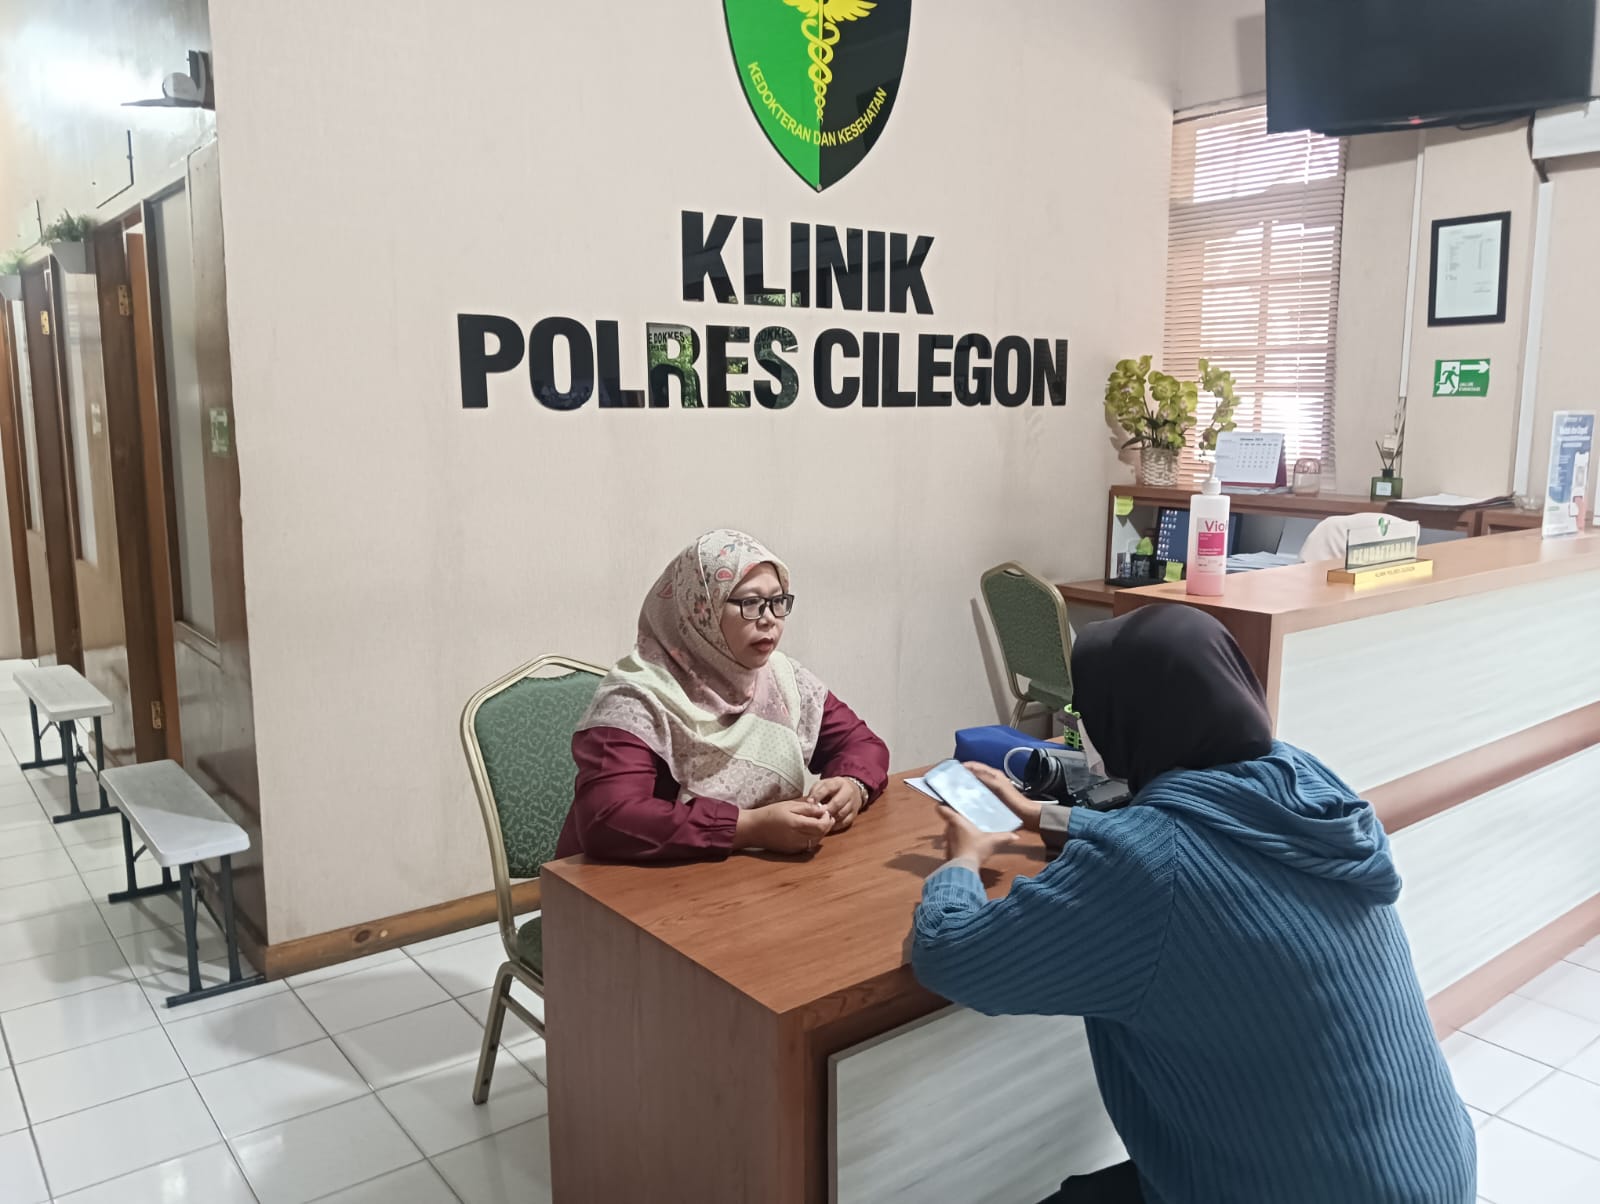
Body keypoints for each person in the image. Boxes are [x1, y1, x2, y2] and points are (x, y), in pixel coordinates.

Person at [909, 606, 1475, 1204]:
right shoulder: (1304, 782)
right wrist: (1044, 816)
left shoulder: (1147, 868)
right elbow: (1200, 834)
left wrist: (962, 863)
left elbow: (952, 956)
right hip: (1429, 1165)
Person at [555, 529, 889, 862]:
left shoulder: (782, 678)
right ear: (701, 609)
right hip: (623, 883)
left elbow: (862, 744)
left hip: (744, 877)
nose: (769, 619)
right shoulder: (637, 697)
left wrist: (852, 785)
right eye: (751, 603)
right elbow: (610, 820)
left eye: (777, 602)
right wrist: (749, 828)